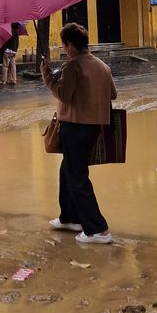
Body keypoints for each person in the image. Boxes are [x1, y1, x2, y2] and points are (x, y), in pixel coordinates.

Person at [41, 22, 116, 245]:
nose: (64, 49)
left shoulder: (73, 66)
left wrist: (47, 76)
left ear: (70, 45)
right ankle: (70, 217)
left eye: (64, 44)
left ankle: (97, 229)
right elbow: (112, 93)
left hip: (75, 127)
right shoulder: (102, 66)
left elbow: (63, 94)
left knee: (78, 177)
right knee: (68, 171)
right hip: (95, 127)